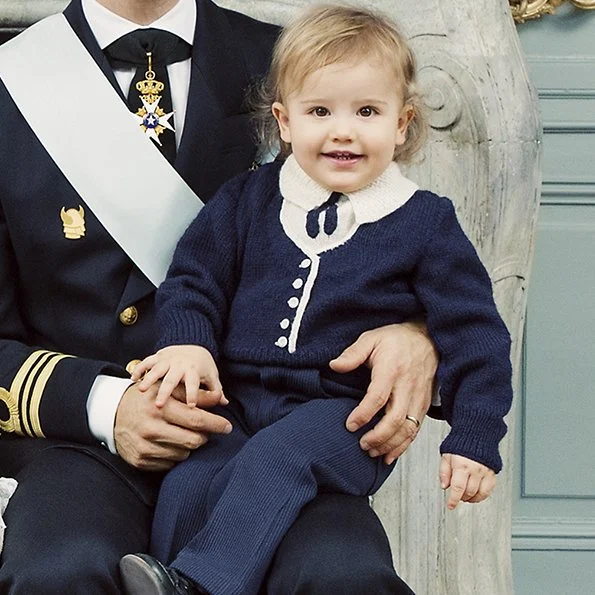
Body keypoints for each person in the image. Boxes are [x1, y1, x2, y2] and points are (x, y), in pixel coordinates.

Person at [0, 1, 438, 593]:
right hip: (84, 445)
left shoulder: (307, 57)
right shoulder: (14, 78)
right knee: (58, 573)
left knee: (346, 577)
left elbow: (398, 236)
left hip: (274, 431)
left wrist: (417, 333)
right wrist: (108, 406)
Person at [118, 5, 514, 595]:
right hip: (242, 402)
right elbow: (193, 279)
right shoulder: (249, 199)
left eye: (368, 112)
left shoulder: (425, 222)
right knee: (190, 483)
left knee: (279, 459)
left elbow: (475, 333)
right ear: (284, 121)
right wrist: (187, 343)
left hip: (345, 416)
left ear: (402, 124)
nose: (343, 130)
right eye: (320, 112)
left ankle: (196, 587)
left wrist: (475, 436)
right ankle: (169, 578)